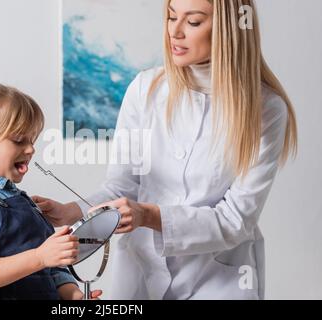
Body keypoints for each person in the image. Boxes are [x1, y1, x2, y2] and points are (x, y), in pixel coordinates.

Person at [32, 0, 298, 300]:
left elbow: (235, 221)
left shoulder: (266, 110)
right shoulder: (145, 89)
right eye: (171, 17)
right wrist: (73, 212)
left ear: (230, 29)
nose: (175, 31)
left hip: (220, 278)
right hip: (140, 269)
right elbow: (122, 186)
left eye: (193, 22)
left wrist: (149, 215)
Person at [0, 82, 101, 300]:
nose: (31, 149)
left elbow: (52, 268)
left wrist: (74, 296)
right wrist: (40, 257)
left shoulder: (20, 200)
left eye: (32, 140)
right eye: (18, 140)